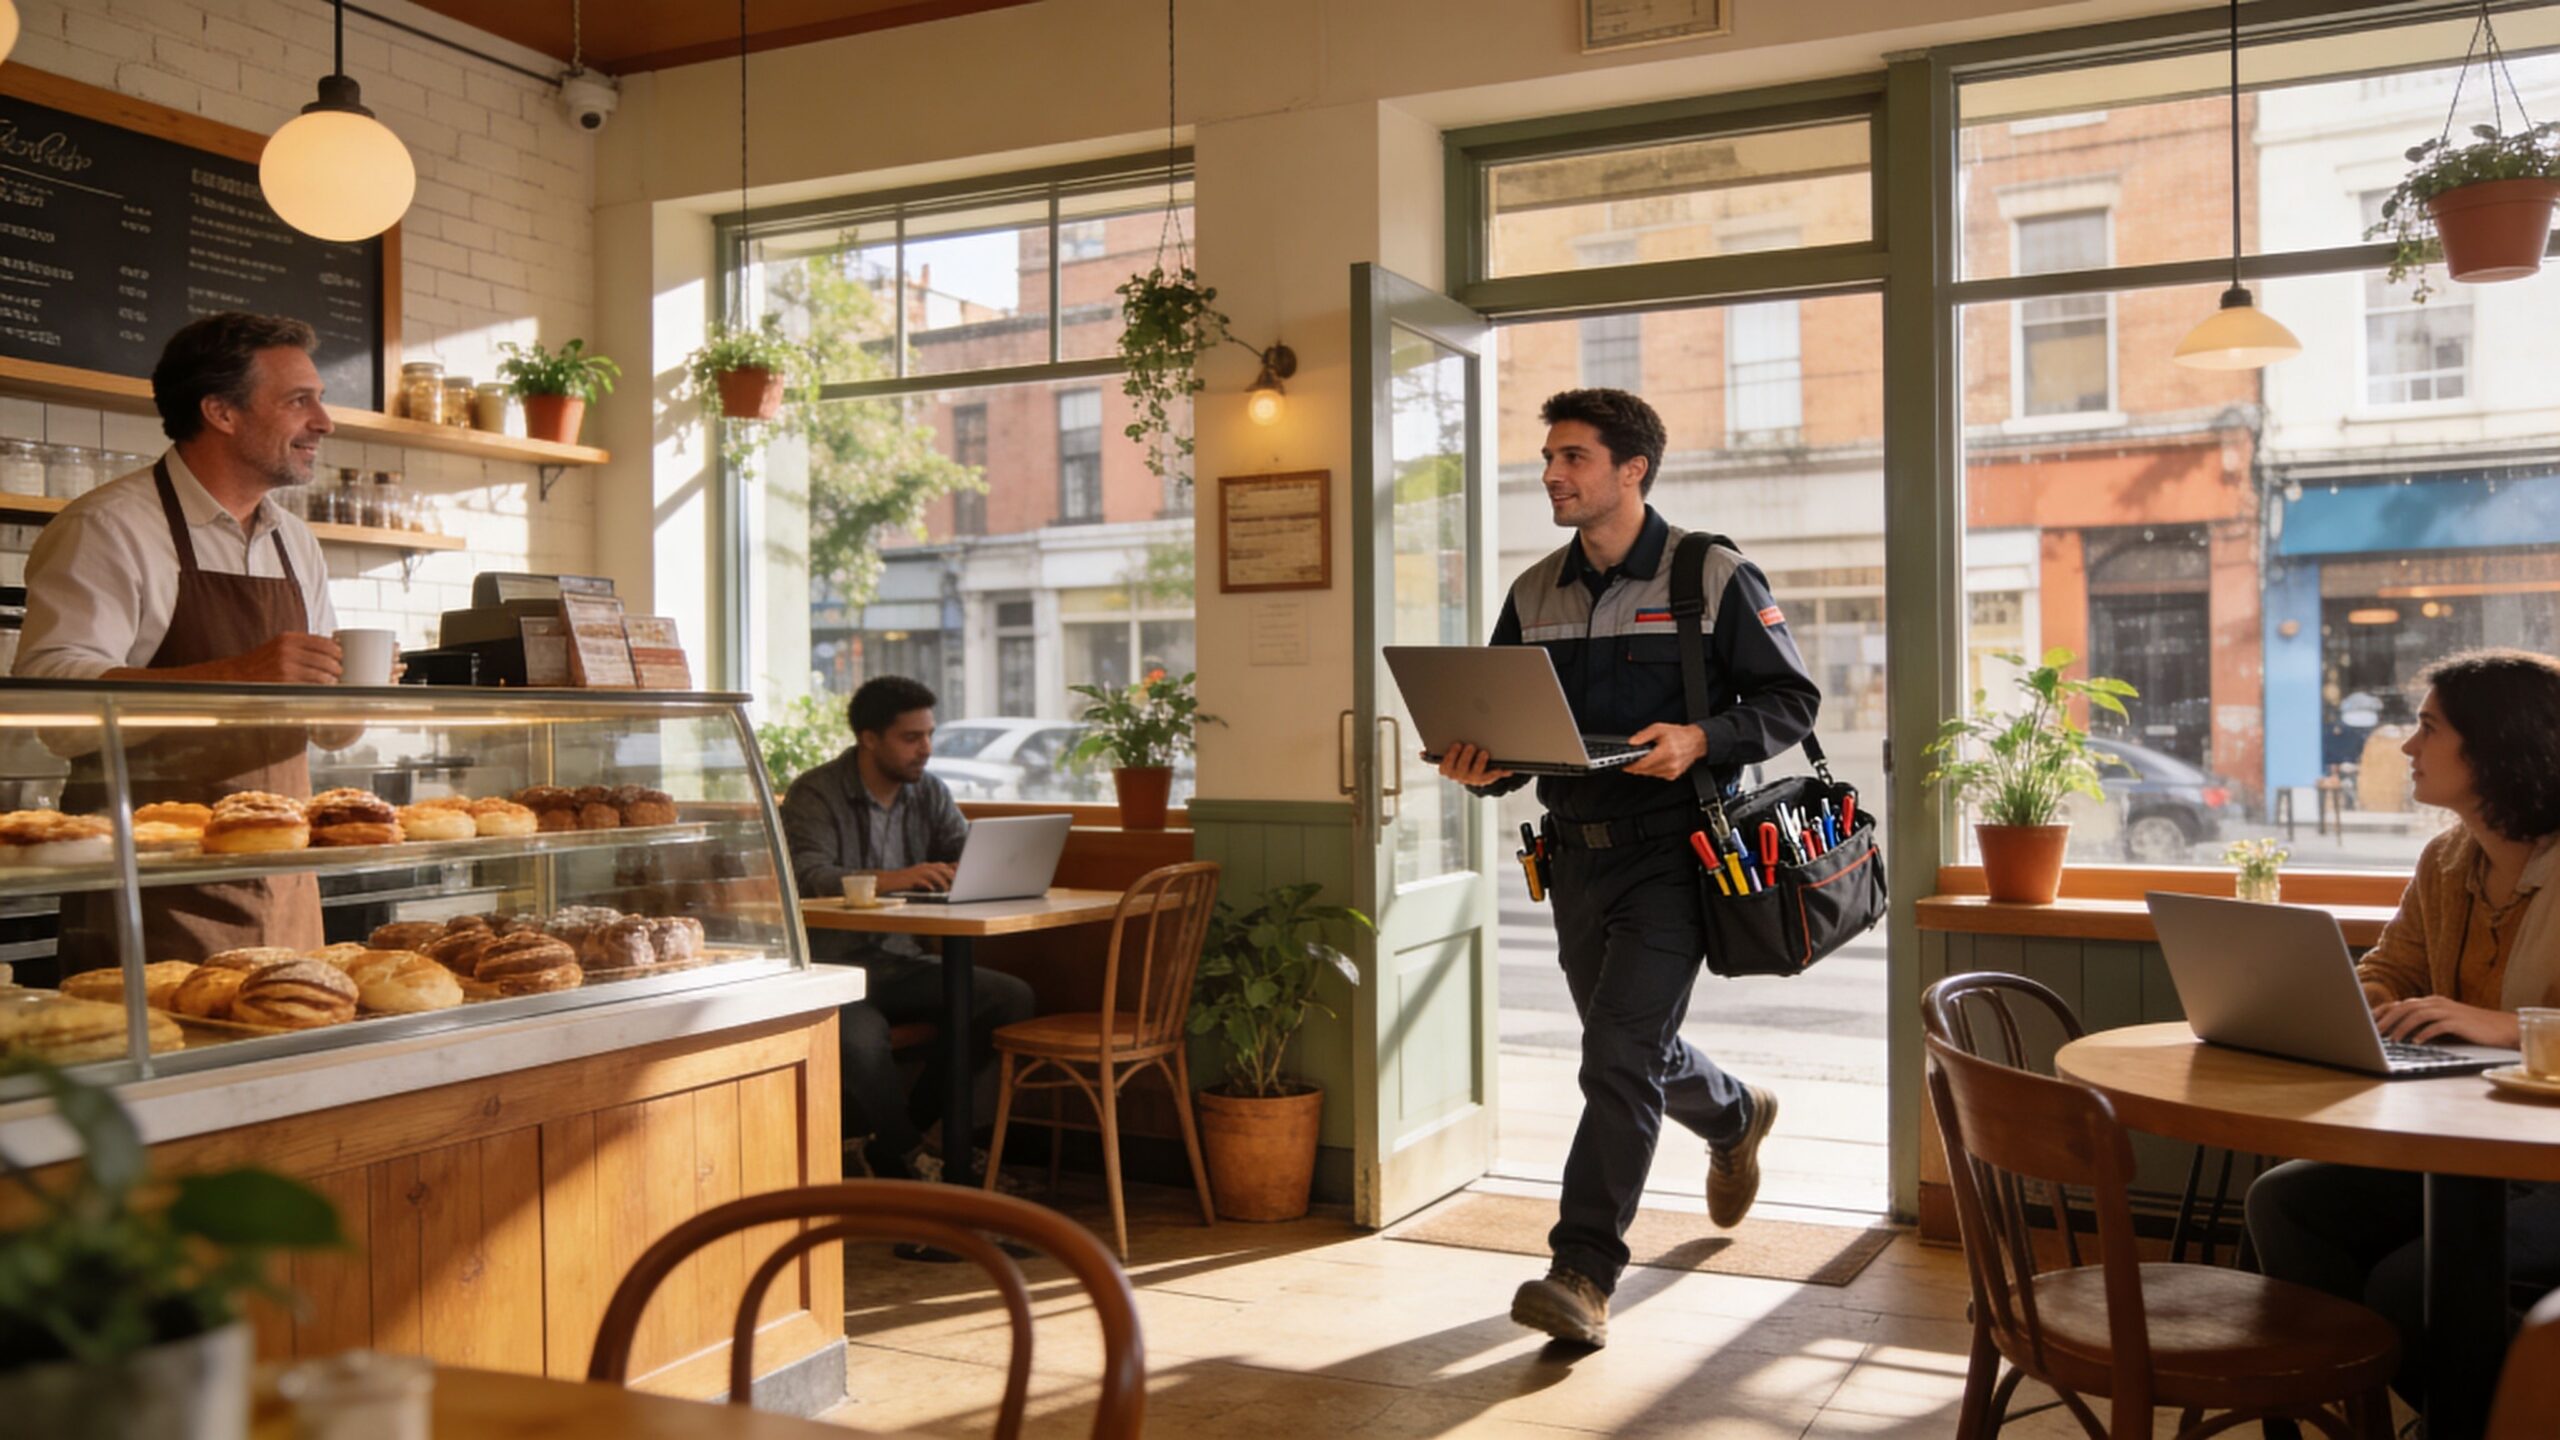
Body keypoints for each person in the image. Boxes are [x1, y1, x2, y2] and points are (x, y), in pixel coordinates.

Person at [1435, 388, 1821, 1348]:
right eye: (1550, 458)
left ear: (1631, 470)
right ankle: (1734, 1115)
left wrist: (1701, 735)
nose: (1551, 475)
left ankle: (1583, 1270)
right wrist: (1483, 766)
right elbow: (1513, 731)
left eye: (1572, 458)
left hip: (1677, 858)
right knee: (1630, 1049)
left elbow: (1791, 701)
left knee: (1614, 1054)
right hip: (1573, 859)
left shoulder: (1711, 575)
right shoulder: (1531, 592)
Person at [2246, 649, 2560, 1417]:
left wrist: (2507, 1028)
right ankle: (2374, 1426)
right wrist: (2354, 1006)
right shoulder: (2448, 858)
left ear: (2497, 745)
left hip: (2550, 1164)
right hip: (2467, 1151)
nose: (2407, 747)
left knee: (2411, 1282)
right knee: (2284, 1205)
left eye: (2427, 728)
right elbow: (2391, 968)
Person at [17, 312, 345, 964]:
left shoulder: (294, 540)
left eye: (320, 399)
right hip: (151, 886)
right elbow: (52, 706)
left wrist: (354, 692)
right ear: (221, 412)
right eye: (298, 400)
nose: (324, 422)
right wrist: (243, 674)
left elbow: (330, 730)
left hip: (285, 881)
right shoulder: (108, 527)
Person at [780, 675, 1035, 1181]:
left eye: (929, 735)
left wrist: (975, 872)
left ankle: (898, 1144)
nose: (926, 749)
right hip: (830, 966)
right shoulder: (817, 792)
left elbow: (964, 852)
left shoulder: (929, 793)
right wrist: (897, 879)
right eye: (911, 737)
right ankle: (908, 1153)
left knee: (1008, 998)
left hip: (897, 960)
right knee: (860, 1037)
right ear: (869, 739)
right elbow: (809, 877)